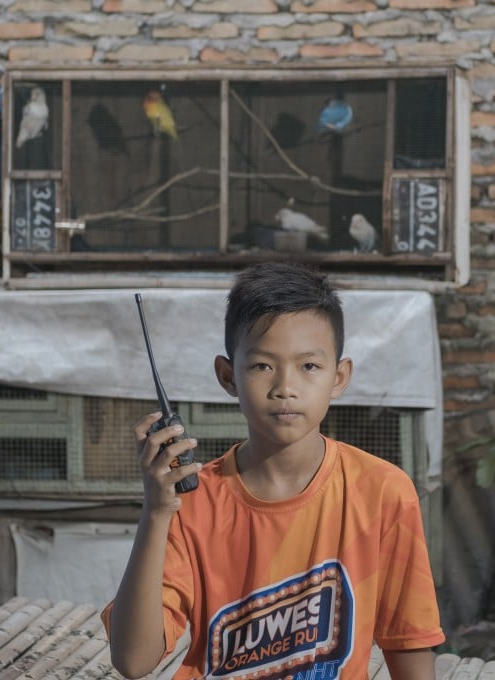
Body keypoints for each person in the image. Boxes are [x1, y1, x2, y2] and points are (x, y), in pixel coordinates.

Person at [104, 261, 444, 679]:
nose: (286, 386)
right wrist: (156, 511)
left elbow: (408, 643)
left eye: (309, 366)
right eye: (262, 365)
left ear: (339, 377)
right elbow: (133, 661)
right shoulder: (188, 502)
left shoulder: (383, 492)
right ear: (228, 377)